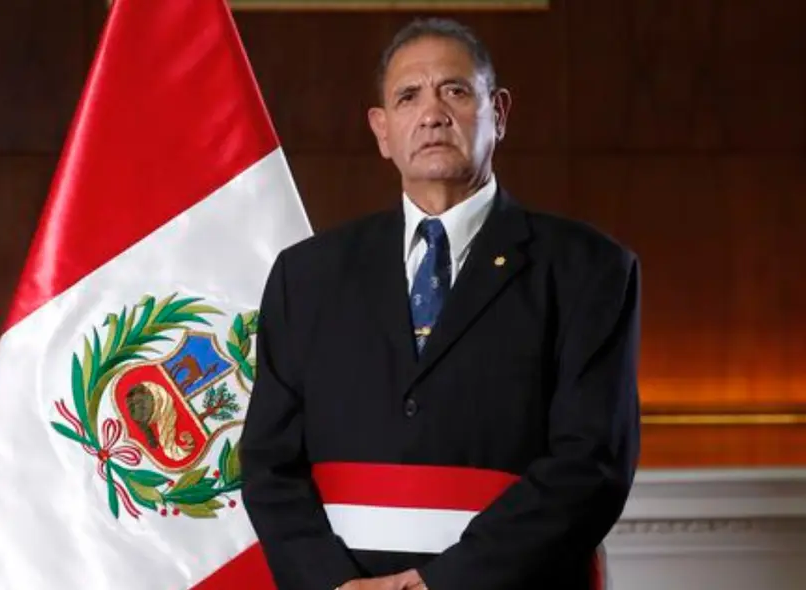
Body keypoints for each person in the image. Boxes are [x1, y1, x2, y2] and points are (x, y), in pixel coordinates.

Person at [239, 16, 641, 590]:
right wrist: (331, 584)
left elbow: (591, 465)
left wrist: (442, 583)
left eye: (454, 90)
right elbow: (268, 465)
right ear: (381, 130)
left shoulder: (589, 269)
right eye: (408, 96)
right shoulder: (305, 277)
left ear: (498, 113)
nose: (432, 112)